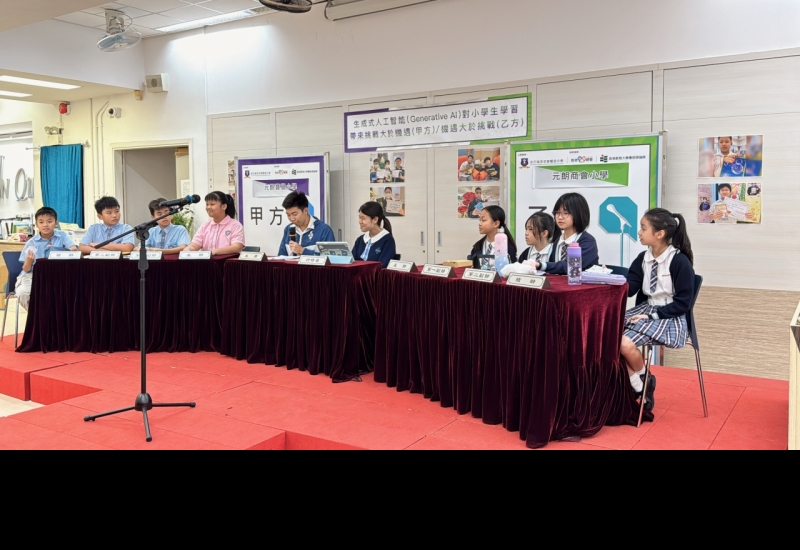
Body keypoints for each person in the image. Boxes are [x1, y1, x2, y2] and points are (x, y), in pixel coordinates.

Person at [621, 208, 695, 413]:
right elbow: (631, 288)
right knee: (605, 338)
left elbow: (683, 303)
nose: (639, 232)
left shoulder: (679, 261)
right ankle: (642, 383)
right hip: (645, 310)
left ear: (660, 234)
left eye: (643, 228)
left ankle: (639, 383)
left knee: (621, 343)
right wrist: (611, 280)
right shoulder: (642, 258)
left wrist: (652, 315)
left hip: (670, 315)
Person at [15, 207, 77, 311]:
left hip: (58, 275)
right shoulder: (32, 243)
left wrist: (57, 250)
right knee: (23, 293)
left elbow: (74, 249)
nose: (45, 225)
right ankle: (36, 317)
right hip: (33, 275)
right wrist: (29, 261)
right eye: (41, 222)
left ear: (56, 223)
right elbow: (26, 269)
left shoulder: (62, 236)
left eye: (49, 221)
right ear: (36, 224)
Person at [535, 192, 598, 274]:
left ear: (578, 214)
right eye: (557, 213)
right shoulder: (558, 241)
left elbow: (571, 266)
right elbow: (555, 267)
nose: (560, 217)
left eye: (565, 213)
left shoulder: (587, 241)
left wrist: (542, 265)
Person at [185, 191, 245, 256]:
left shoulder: (235, 225)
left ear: (224, 206)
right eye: (207, 204)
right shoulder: (205, 226)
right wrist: (187, 250)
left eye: (212, 204)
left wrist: (214, 251)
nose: (208, 207)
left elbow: (237, 247)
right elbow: (194, 246)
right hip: (207, 262)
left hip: (226, 262)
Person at [277, 191, 335, 256]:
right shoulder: (288, 229)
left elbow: (330, 258)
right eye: (288, 215)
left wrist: (302, 251)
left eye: (294, 214)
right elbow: (281, 257)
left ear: (305, 211)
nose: (292, 218)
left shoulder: (324, 230)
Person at [468, 205, 518, 270]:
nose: (479, 224)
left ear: (496, 223)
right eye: (480, 220)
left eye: (483, 220)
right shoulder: (477, 247)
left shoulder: (507, 248)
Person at [352, 202, 396, 268]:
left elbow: (382, 266)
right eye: (359, 217)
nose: (359, 221)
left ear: (375, 220)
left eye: (363, 218)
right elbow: (351, 262)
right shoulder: (360, 240)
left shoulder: (388, 240)